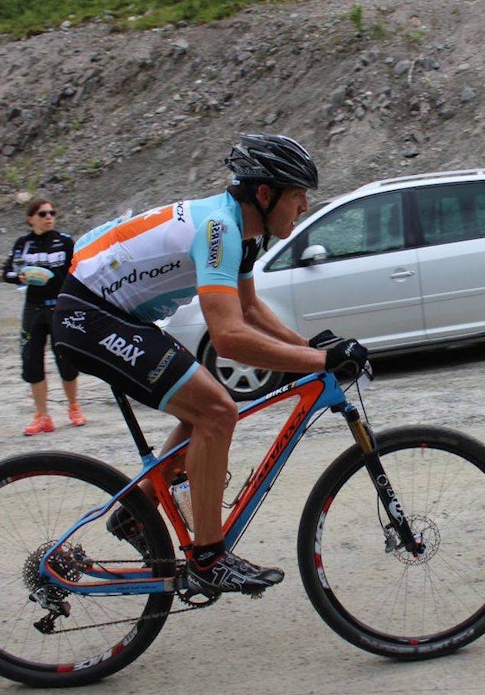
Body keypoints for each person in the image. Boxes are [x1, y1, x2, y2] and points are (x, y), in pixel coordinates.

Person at [52, 133, 368, 596]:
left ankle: (135, 513)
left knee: (203, 411)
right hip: (90, 314)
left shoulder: (243, 233)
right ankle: (208, 559)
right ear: (265, 194)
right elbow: (228, 338)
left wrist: (308, 347)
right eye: (299, 195)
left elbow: (250, 310)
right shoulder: (220, 228)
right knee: (217, 410)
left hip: (112, 311)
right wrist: (321, 359)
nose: (303, 207)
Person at [2, 197, 86, 435]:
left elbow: (78, 269)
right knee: (31, 361)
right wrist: (20, 277)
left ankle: (73, 407)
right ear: (31, 219)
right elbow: (8, 272)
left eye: (52, 213)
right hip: (33, 309)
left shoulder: (64, 241)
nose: (49, 217)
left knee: (66, 359)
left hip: (59, 307)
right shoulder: (23, 244)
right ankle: (42, 416)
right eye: (43, 214)